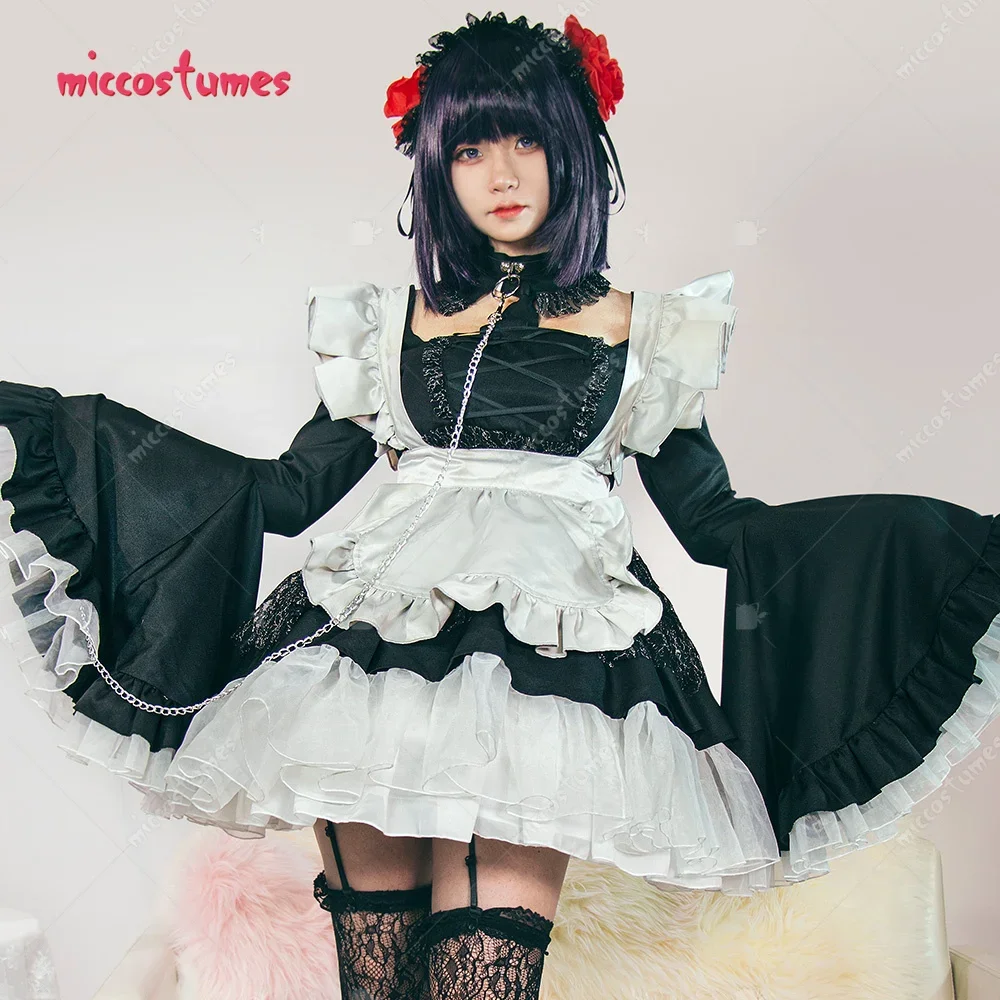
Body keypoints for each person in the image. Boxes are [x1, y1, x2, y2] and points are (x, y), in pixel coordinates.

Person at [1, 10, 998, 1000]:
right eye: (470, 148)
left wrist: (936, 550)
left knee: (482, 986)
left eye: (525, 139)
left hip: (552, 678)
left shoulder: (645, 334)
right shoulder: (386, 329)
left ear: (573, 146)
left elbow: (717, 525)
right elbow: (286, 492)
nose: (501, 174)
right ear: (438, 168)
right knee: (378, 987)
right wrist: (58, 435)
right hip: (370, 671)